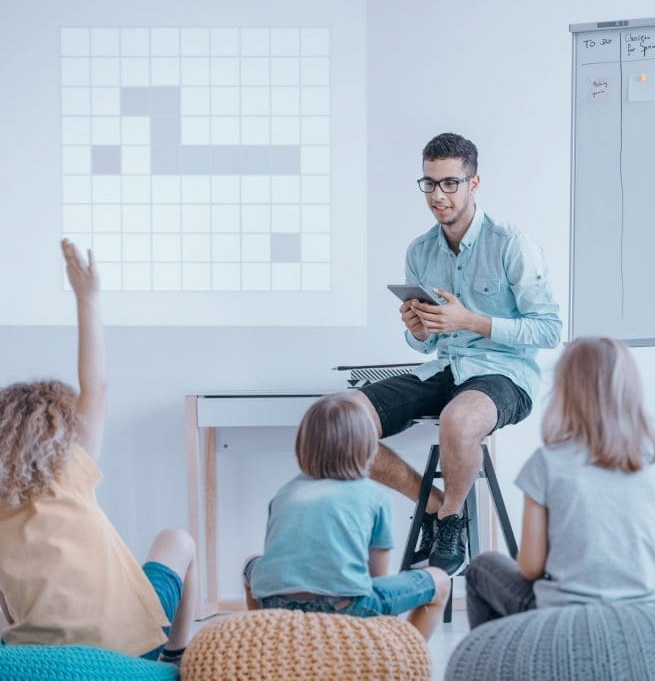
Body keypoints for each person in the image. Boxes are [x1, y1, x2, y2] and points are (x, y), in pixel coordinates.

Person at [352, 132, 562, 575]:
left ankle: (451, 523)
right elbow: (427, 340)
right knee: (343, 421)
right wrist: (416, 330)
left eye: (450, 183)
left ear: (474, 183)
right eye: (429, 184)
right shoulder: (420, 251)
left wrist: (471, 320)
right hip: (444, 369)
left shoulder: (510, 243)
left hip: (503, 374)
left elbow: (549, 330)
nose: (438, 195)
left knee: (458, 420)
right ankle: (436, 508)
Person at [0, 240, 197, 663]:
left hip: (40, 657)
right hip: (137, 648)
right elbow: (97, 385)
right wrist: (87, 298)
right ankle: (178, 655)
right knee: (178, 541)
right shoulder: (71, 465)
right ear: (61, 431)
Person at [462, 337, 655, 628]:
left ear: (565, 392)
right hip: (645, 614)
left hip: (564, 616)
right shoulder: (648, 469)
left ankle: (503, 660)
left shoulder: (546, 462)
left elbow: (531, 566)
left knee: (480, 568)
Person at [243, 394, 451, 640]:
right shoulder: (374, 496)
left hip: (275, 604)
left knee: (252, 563)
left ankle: (269, 640)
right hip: (346, 607)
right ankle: (405, 655)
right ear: (366, 447)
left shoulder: (284, 493)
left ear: (304, 444)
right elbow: (376, 577)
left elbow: (276, 558)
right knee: (439, 581)